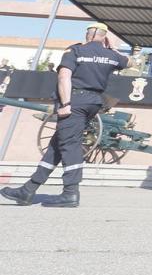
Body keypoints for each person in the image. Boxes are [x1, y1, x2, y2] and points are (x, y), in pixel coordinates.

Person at [1, 23, 132, 207]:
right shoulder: (111, 55)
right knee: (56, 146)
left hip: (75, 101)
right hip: (93, 102)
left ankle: (70, 192)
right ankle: (28, 190)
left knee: (70, 145)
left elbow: (64, 77)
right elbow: (130, 62)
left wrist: (66, 103)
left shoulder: (75, 50)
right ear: (104, 37)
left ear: (88, 34)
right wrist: (113, 48)